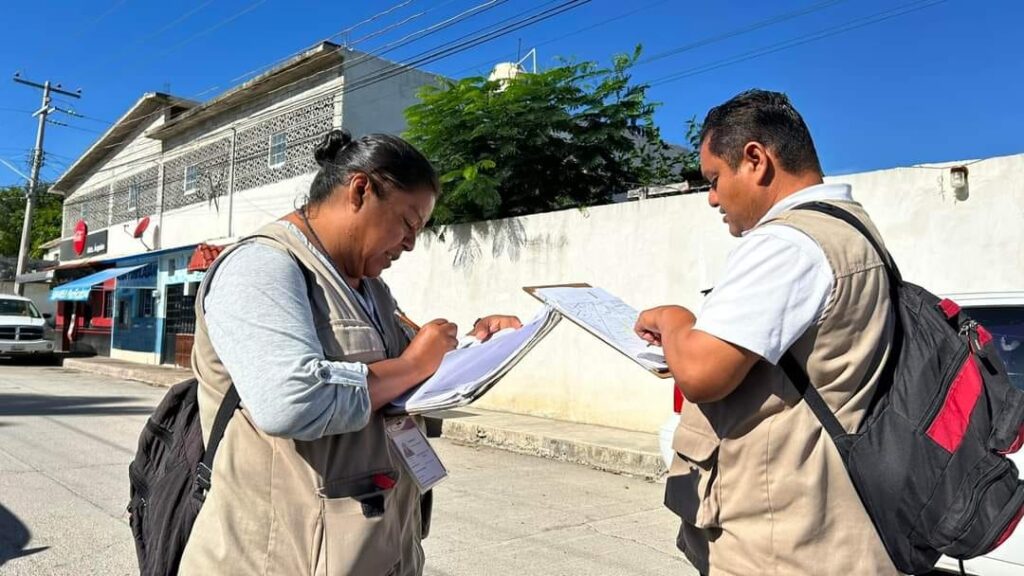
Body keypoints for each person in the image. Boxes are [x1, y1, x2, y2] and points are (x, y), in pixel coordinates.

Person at [179, 129, 521, 575]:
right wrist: (415, 362)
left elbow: (402, 381)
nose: (411, 243)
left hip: (374, 547)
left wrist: (477, 344)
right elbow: (291, 401)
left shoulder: (370, 288)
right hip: (277, 559)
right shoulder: (261, 266)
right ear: (360, 190)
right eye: (408, 223)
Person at [634, 90, 899, 575]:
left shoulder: (787, 243)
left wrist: (674, 320)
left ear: (755, 159)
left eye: (714, 179)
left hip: (784, 542)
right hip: (827, 522)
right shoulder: (851, 230)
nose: (712, 198)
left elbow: (702, 375)